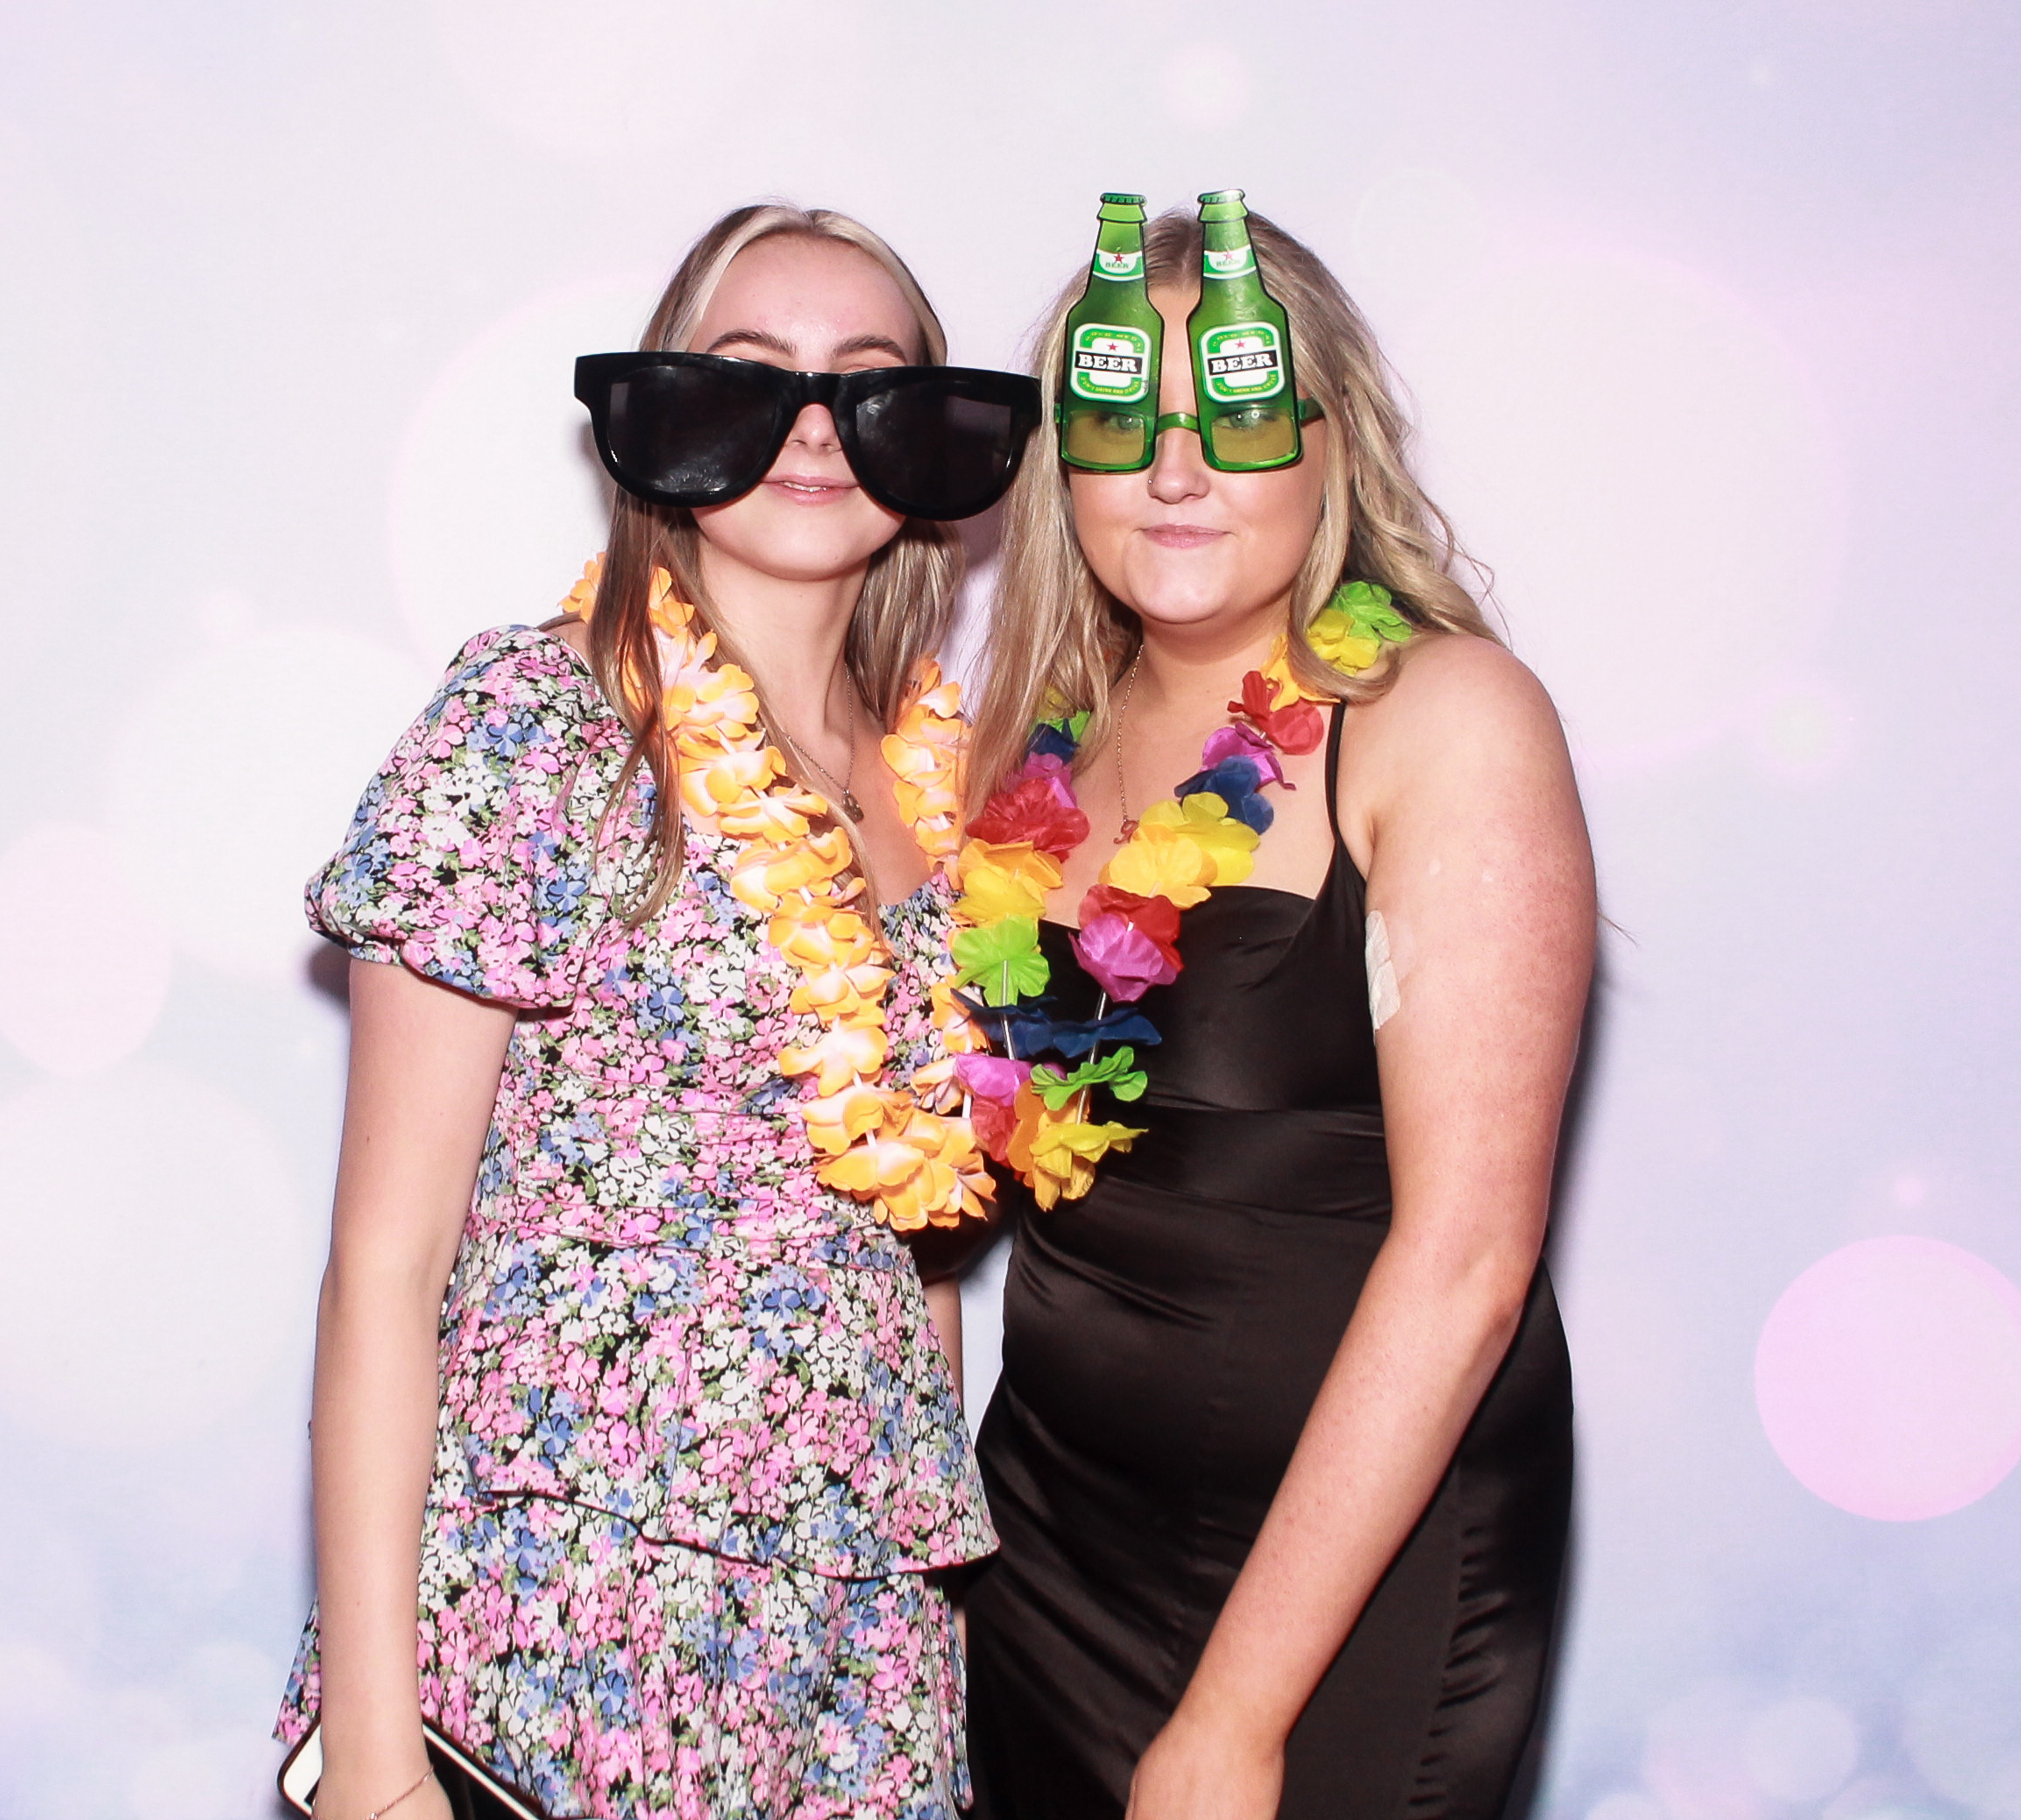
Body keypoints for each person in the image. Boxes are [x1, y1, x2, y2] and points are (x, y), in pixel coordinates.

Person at [275, 203, 1043, 1820]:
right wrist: (374, 1764)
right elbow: (387, 1270)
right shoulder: (536, 723)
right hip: (566, 1619)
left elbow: (916, 1245)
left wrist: (930, 1632)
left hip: (853, 1658)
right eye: (753, 374)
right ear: (668, 420)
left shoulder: (947, 788)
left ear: (926, 437)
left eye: (865, 382)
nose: (813, 428)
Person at [955, 199, 1594, 1820]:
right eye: (1124, 420)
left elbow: (1468, 1264)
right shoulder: (1031, 751)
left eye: (1236, 415)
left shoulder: (1442, 717)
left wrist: (1235, 1721)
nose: (1175, 471)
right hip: (1046, 1548)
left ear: (1331, 441)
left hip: (1351, 1582)